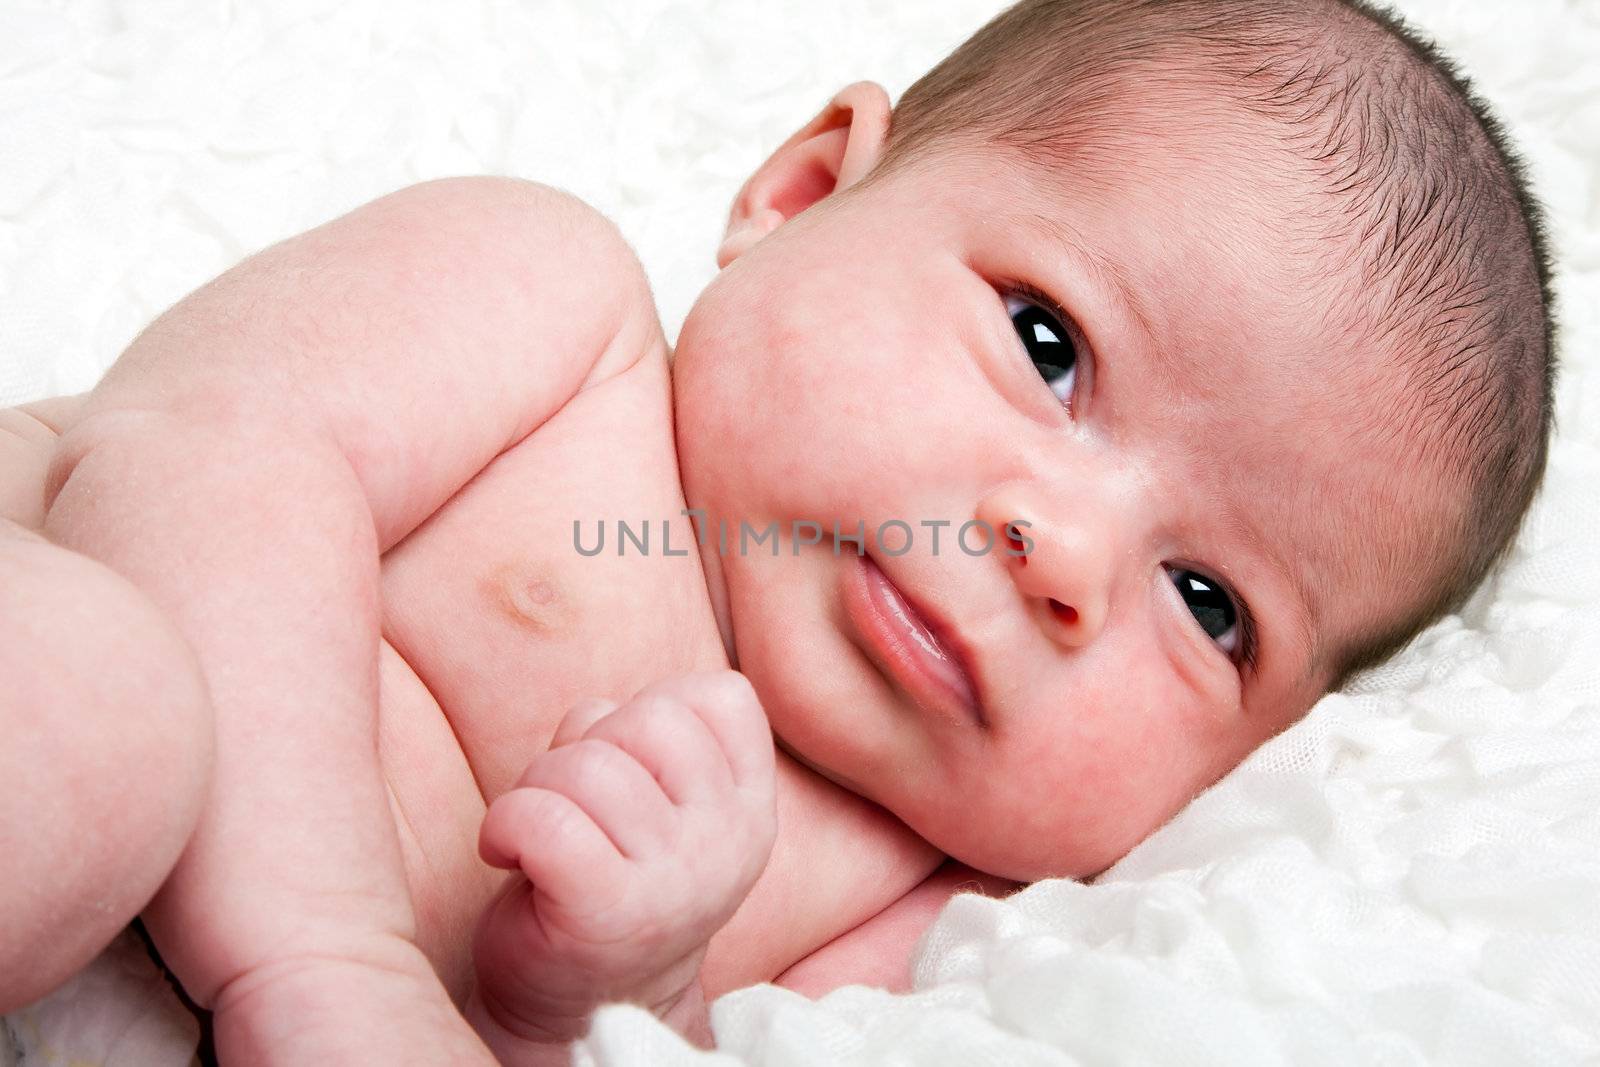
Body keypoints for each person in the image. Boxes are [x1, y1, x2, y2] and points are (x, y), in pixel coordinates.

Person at [0, 0, 1556, 1062]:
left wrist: (605, 989)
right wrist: (326, 955)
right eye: (1048, 345)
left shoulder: (933, 915)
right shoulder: (551, 313)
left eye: (1211, 603)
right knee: (99, 710)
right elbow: (196, 458)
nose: (1068, 560)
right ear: (804, 193)